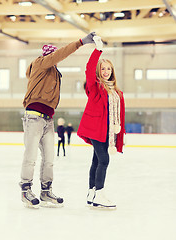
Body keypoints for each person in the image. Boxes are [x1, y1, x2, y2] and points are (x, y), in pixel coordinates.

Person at [19, 32, 96, 208]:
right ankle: (25, 189)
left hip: (48, 119)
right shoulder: (40, 62)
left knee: (49, 159)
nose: (55, 59)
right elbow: (59, 55)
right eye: (52, 56)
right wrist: (81, 42)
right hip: (34, 117)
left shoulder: (54, 72)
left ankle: (46, 191)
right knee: (30, 156)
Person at [77, 36, 125, 209]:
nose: (106, 72)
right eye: (103, 69)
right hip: (95, 129)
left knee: (97, 161)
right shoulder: (95, 87)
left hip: (109, 131)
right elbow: (89, 69)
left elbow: (120, 114)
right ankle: (100, 193)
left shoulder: (116, 91)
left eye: (109, 69)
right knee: (104, 160)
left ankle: (92, 192)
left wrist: (121, 132)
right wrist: (98, 50)